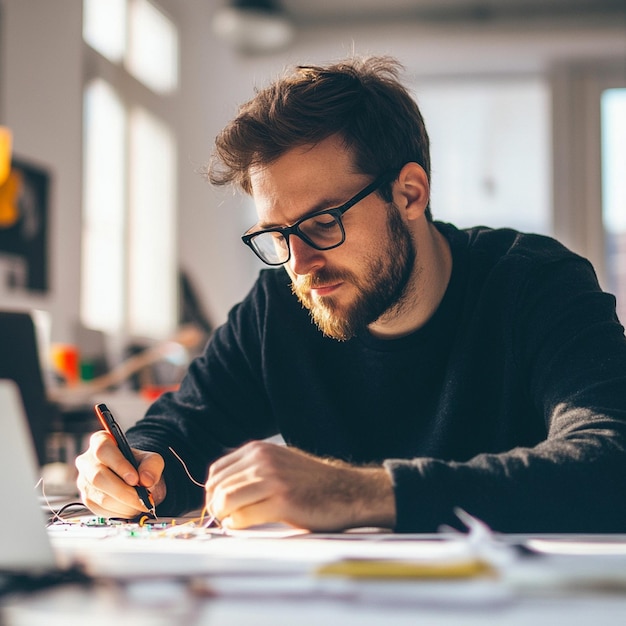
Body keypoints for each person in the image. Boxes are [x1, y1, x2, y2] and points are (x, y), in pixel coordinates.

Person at [76, 56, 626, 534]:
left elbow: (611, 460)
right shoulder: (277, 307)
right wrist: (130, 467)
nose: (299, 263)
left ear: (409, 193)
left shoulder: (534, 284)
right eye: (277, 235)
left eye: (321, 223)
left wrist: (354, 493)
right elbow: (180, 428)